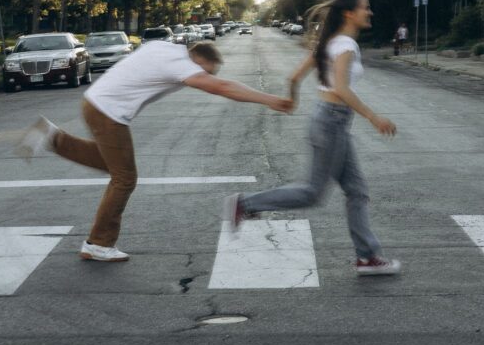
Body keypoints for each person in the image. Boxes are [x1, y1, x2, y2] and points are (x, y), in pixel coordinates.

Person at [16, 40, 293, 262]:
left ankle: (52, 138)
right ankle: (98, 244)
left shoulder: (163, 46)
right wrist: (269, 99)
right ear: (197, 59)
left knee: (112, 165)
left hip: (95, 103)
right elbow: (220, 87)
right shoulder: (180, 63)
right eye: (205, 71)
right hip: (109, 113)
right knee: (124, 179)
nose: (202, 78)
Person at [222, 0, 402, 275]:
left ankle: (367, 256)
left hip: (329, 121)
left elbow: (294, 76)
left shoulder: (328, 43)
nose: (370, 12)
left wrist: (293, 98)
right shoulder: (344, 45)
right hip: (332, 122)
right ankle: (244, 204)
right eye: (365, 7)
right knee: (312, 193)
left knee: (356, 191)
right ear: (348, 13)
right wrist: (373, 117)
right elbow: (341, 89)